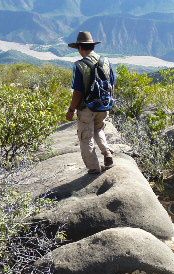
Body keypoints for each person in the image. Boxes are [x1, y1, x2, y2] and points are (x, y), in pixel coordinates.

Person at [66, 31, 116, 174]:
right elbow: (112, 83)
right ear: (92, 46)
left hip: (87, 108)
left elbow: (78, 92)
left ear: (80, 47)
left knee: (85, 137)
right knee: (98, 129)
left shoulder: (79, 66)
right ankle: (107, 154)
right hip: (103, 104)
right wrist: (108, 102)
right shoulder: (105, 61)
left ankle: (94, 168)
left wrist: (71, 110)